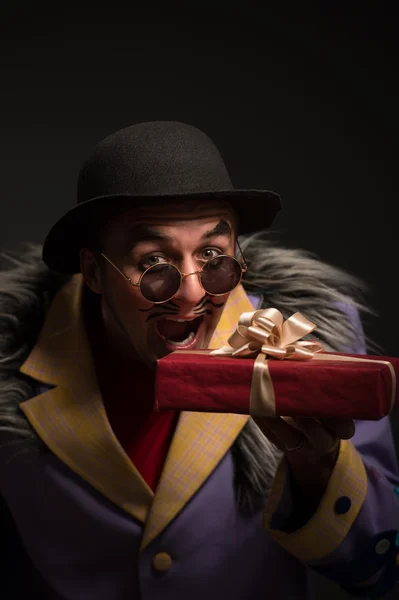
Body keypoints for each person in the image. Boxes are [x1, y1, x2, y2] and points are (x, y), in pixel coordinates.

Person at [0, 121, 398, 600]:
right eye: (152, 263)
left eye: (213, 255)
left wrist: (320, 469)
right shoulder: (12, 362)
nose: (191, 294)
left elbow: (385, 565)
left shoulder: (311, 340)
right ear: (94, 273)